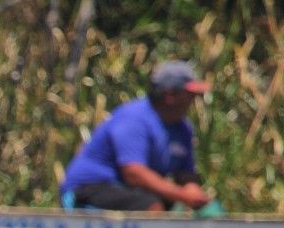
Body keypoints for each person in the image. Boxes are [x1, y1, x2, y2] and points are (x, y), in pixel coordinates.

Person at [61, 60, 211, 212]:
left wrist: (192, 190)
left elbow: (185, 173)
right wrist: (182, 196)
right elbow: (133, 173)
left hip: (128, 190)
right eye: (190, 96)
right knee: (151, 206)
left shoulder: (183, 128)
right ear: (170, 95)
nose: (193, 102)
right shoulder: (134, 119)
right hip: (90, 186)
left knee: (207, 211)